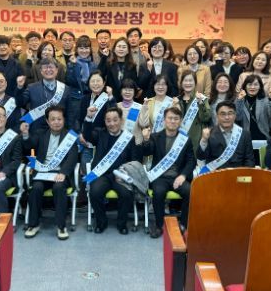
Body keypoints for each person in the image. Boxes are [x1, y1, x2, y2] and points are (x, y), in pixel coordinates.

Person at [21, 105, 79, 240]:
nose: (56, 122)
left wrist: (63, 173)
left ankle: (61, 226)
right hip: (43, 172)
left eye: (59, 119)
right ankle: (33, 224)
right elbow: (28, 146)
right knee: (36, 188)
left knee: (59, 188)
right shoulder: (40, 133)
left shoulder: (70, 136)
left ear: (64, 120)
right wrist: (25, 135)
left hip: (60, 173)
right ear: (47, 121)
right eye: (53, 119)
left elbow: (73, 157)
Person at [83, 106, 143, 234]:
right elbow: (87, 135)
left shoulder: (129, 138)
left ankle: (122, 224)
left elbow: (135, 160)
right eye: (108, 120)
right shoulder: (100, 134)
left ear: (121, 120)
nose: (112, 123)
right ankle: (101, 222)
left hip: (121, 175)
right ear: (105, 122)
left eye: (115, 120)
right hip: (102, 174)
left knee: (126, 194)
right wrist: (88, 117)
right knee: (95, 192)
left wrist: (125, 172)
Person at [141, 106, 195, 238]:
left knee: (190, 192)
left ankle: (183, 224)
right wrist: (146, 139)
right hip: (160, 177)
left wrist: (183, 176)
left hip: (178, 177)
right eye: (170, 118)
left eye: (176, 119)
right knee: (158, 192)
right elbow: (146, 152)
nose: (173, 121)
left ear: (180, 121)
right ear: (164, 120)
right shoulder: (155, 137)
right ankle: (159, 225)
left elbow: (191, 161)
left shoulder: (185, 139)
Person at [16, 58, 75, 136]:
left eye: (51, 67)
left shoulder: (65, 89)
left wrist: (70, 132)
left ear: (57, 70)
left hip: (59, 131)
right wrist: (19, 88)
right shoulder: (31, 88)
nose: (48, 69)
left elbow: (70, 113)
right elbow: (20, 103)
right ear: (41, 71)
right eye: (45, 67)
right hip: (37, 132)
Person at [198, 101, 255, 171]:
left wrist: (245, 174)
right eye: (223, 114)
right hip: (216, 175)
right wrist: (204, 140)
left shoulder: (244, 134)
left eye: (230, 113)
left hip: (238, 174)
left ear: (235, 115)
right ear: (217, 116)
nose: (227, 117)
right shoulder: (209, 133)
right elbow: (201, 157)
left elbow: (249, 160)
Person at [79, 71, 116, 165]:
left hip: (103, 144)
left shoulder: (108, 99)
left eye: (98, 81)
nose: (95, 84)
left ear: (104, 83)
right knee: (85, 169)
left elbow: (114, 115)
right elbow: (79, 119)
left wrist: (110, 97)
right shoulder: (84, 99)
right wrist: (80, 134)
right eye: (93, 81)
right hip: (87, 144)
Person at [64, 35, 98, 131]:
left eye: (86, 48)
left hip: (90, 99)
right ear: (77, 49)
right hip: (75, 99)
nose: (84, 51)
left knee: (88, 125)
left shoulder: (93, 65)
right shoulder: (72, 63)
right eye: (81, 48)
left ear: (90, 49)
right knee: (74, 126)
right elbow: (69, 81)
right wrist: (73, 65)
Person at [176, 70, 211, 156]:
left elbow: (206, 118)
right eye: (185, 80)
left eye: (190, 80)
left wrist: (200, 103)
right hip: (179, 140)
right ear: (181, 83)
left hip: (196, 139)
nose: (188, 83)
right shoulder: (176, 100)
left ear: (195, 83)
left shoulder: (202, 98)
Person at [236, 75, 270, 150]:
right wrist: (239, 100)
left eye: (256, 84)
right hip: (246, 139)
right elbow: (237, 117)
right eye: (250, 84)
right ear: (245, 86)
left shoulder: (265, 101)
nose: (252, 87)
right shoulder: (240, 100)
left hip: (262, 138)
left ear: (260, 87)